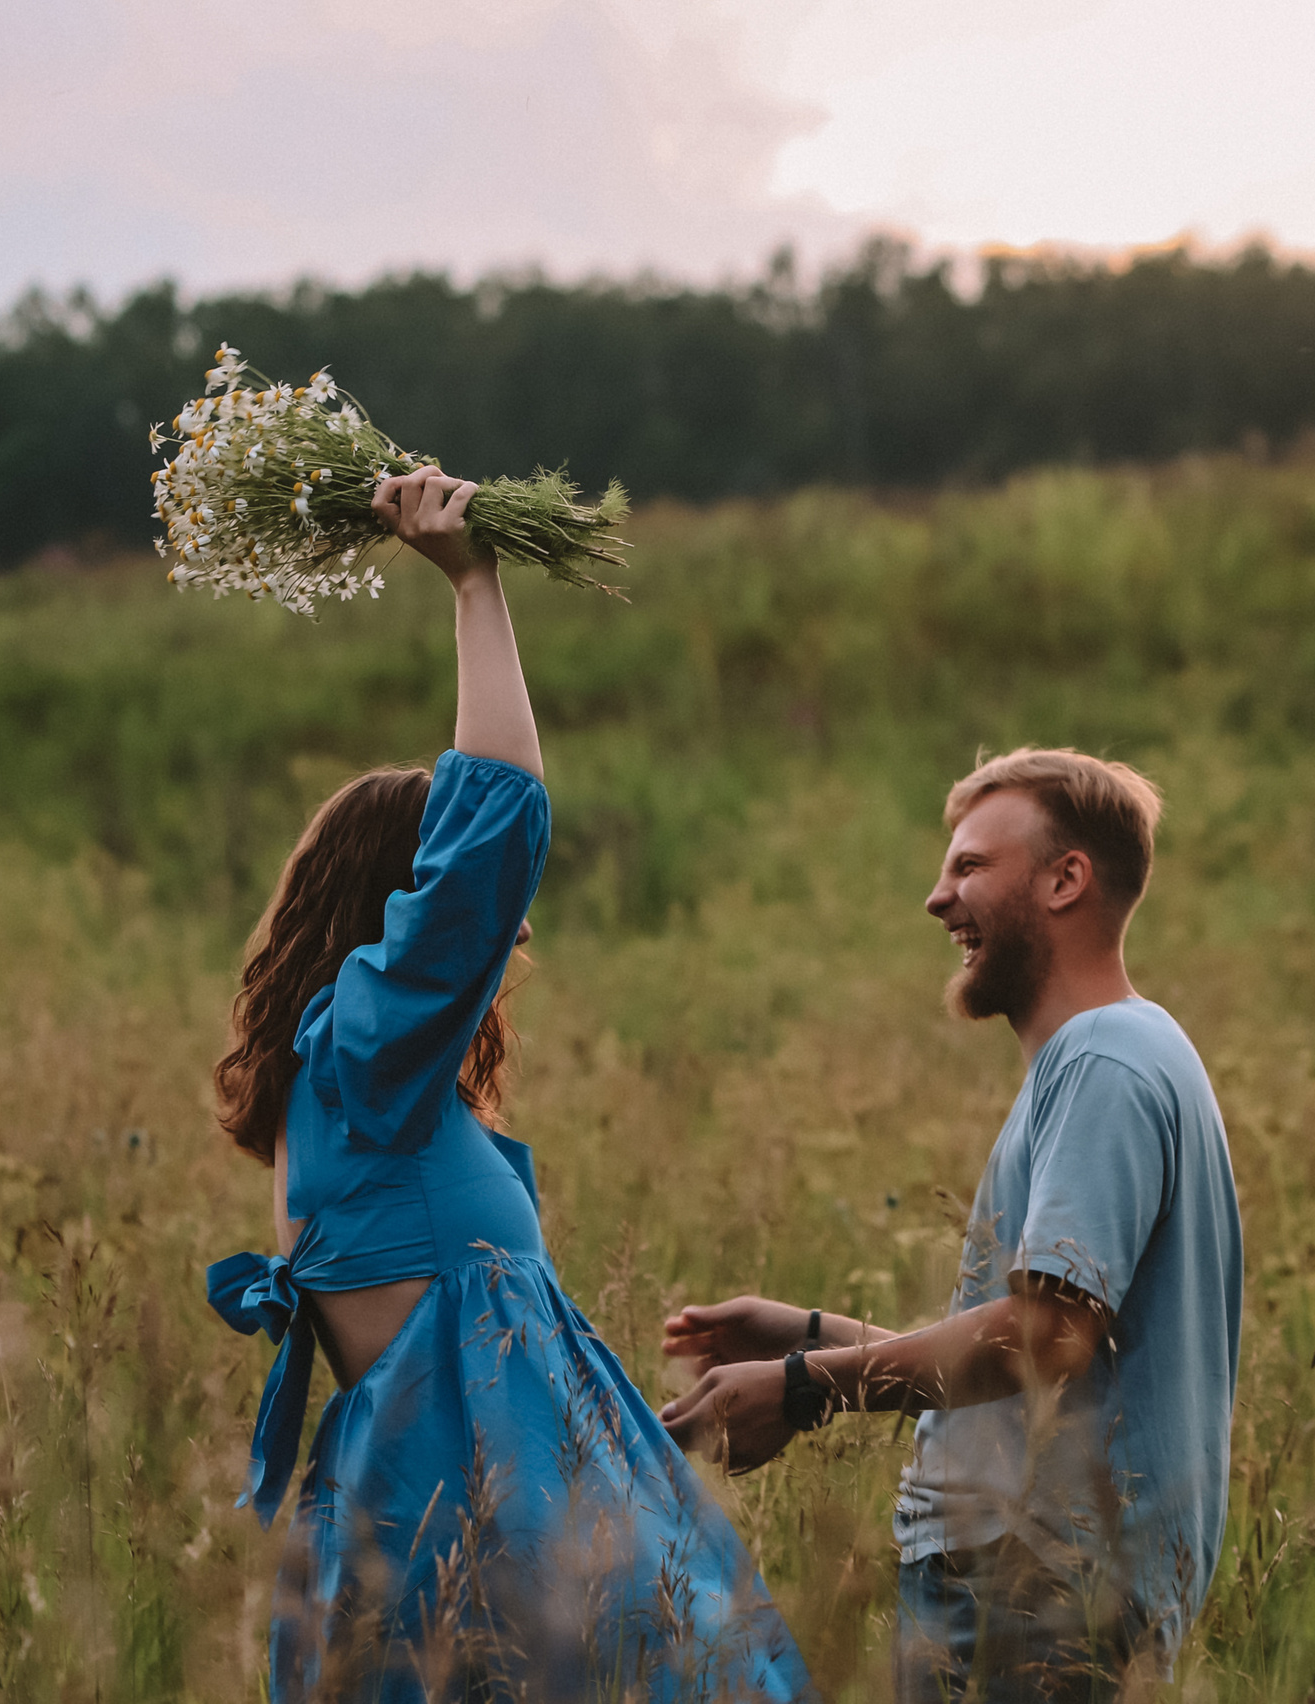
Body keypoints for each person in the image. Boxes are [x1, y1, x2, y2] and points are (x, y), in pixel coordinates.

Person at [205, 469, 815, 1704]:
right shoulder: (360, 1057)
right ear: (400, 912)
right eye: (486, 923)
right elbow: (496, 830)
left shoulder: (367, 1089)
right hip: (472, 1549)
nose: (515, 936)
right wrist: (474, 582)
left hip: (476, 1524)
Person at [659, 750, 1242, 1703]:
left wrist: (803, 1388)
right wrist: (812, 1336)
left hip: (1032, 1593)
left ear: (1065, 879)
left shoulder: (1104, 1062)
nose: (938, 899)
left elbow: (1045, 1337)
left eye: (970, 866)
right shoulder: (1127, 1053)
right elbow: (1045, 1378)